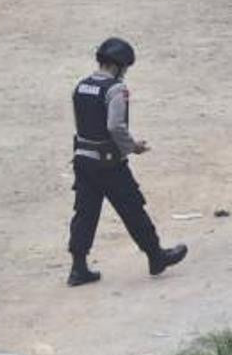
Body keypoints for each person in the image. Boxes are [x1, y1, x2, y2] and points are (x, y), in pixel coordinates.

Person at [67, 37, 187, 286]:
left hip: (83, 160)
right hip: (109, 163)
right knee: (133, 208)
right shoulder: (115, 90)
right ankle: (156, 256)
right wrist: (133, 147)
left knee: (85, 213)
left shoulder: (81, 86)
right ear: (118, 65)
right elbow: (115, 126)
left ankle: (78, 268)